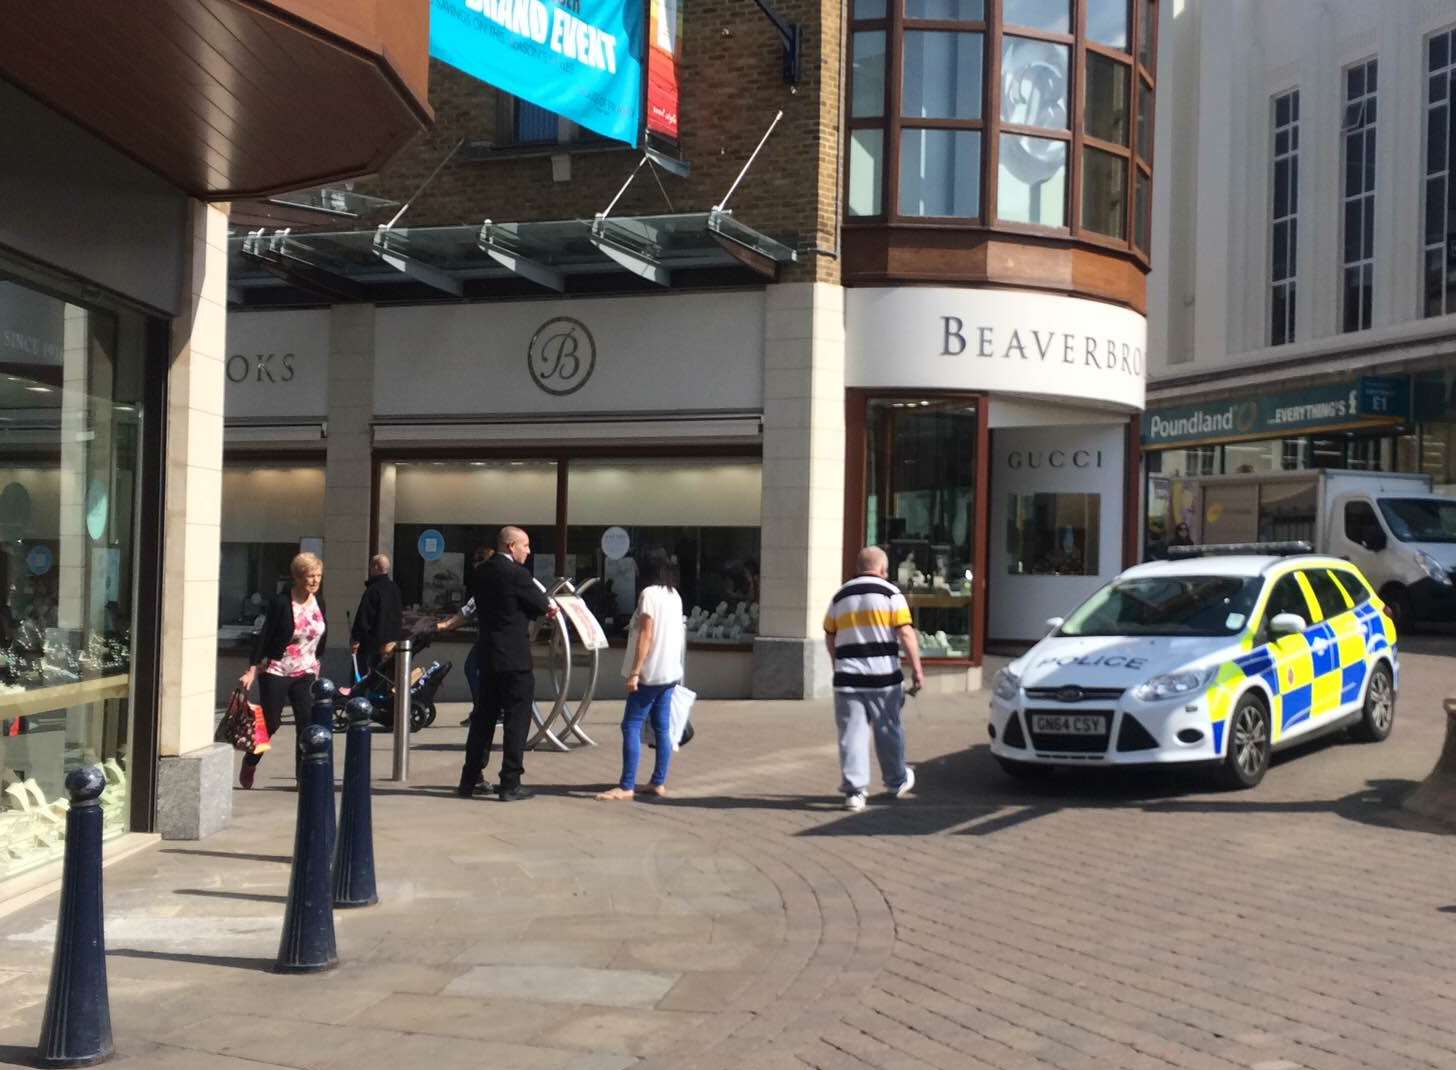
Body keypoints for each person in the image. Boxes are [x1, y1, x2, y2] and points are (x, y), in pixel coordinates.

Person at [823, 546, 924, 812]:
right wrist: (917, 669)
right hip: (884, 679)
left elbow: (830, 635)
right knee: (888, 730)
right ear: (883, 569)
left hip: (847, 679)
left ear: (858, 568)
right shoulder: (891, 594)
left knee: (851, 736)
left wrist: (838, 663)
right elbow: (906, 634)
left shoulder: (839, 596)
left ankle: (855, 793)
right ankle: (896, 780)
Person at [458, 527, 555, 801]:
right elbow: (539, 605)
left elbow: (496, 605)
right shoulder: (517, 574)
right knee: (516, 720)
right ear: (511, 546)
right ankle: (510, 782)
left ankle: (469, 779)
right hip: (514, 659)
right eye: (525, 546)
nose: (528, 551)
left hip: (488, 656)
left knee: (483, 719)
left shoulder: (481, 572)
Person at [596, 548, 686, 801]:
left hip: (650, 672)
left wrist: (635, 672)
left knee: (631, 725)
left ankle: (626, 785)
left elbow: (647, 635)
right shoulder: (673, 594)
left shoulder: (648, 594)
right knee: (661, 726)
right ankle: (658, 781)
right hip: (669, 671)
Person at [237, 552, 327, 789]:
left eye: (318, 576)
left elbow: (319, 636)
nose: (315, 581)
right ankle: (251, 760)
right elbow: (265, 636)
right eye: (310, 576)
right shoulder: (281, 603)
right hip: (277, 669)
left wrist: (317, 662)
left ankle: (303, 778)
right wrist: (252, 670)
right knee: (271, 722)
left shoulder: (320, 601)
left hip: (306, 671)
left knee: (307, 724)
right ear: (298, 577)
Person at [349, 554, 402, 680]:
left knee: (364, 680)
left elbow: (364, 617)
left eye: (370, 567)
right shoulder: (395, 589)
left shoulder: (373, 590)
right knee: (383, 680)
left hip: (371, 645)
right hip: (391, 644)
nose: (369, 570)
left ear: (376, 567)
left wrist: (356, 638)